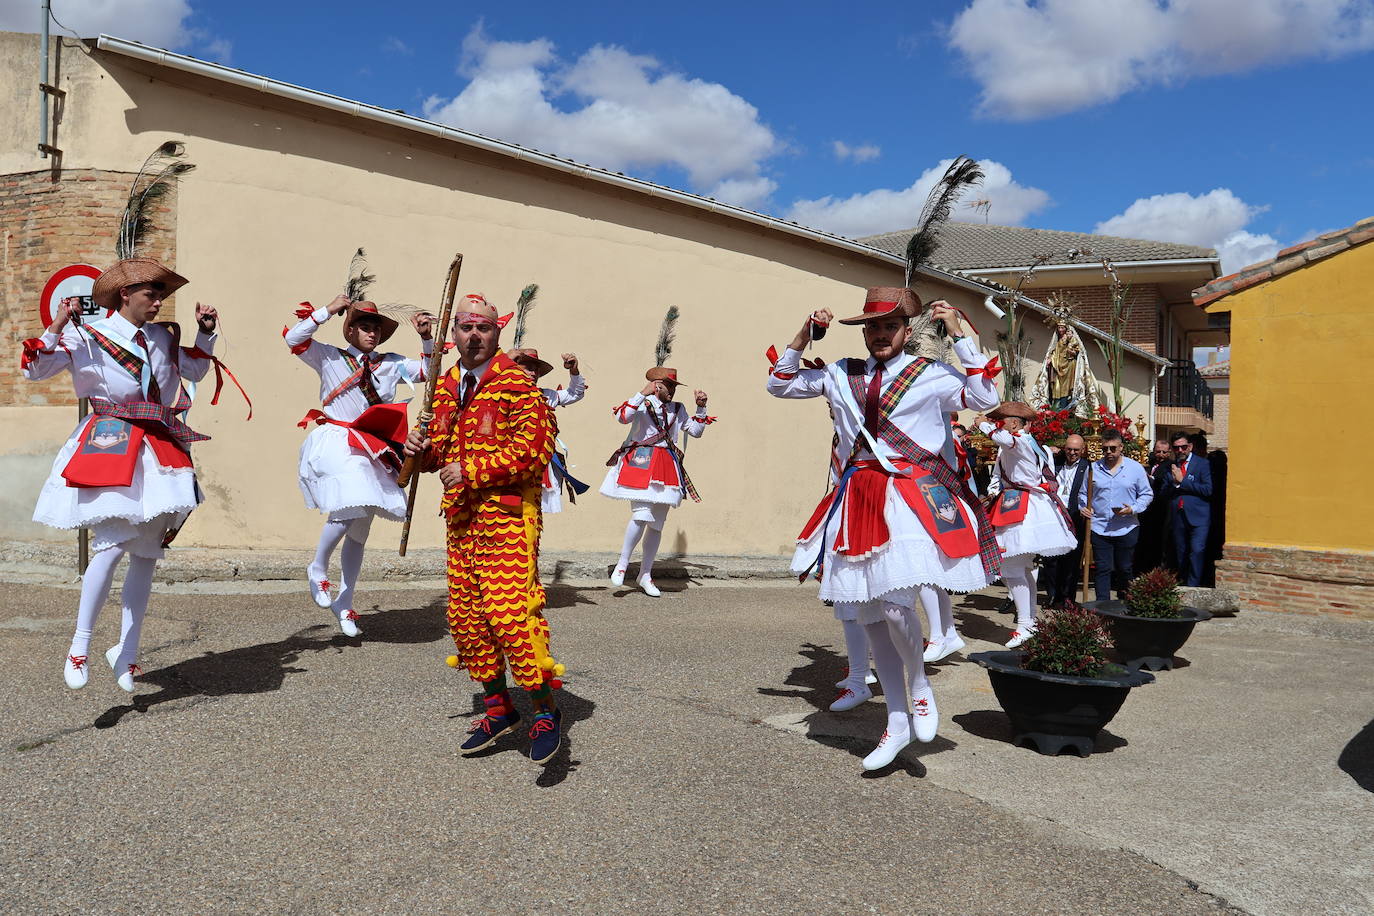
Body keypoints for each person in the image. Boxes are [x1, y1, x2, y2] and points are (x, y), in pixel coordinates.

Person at [768, 287, 1002, 770]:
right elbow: (780, 383)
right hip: (857, 497)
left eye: (889, 326)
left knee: (897, 609)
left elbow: (985, 396)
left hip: (907, 498)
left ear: (906, 331)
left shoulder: (931, 374)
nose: (879, 334)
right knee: (871, 616)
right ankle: (895, 721)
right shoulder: (839, 372)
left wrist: (959, 336)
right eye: (872, 326)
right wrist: (804, 335)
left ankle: (919, 685)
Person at [22, 258, 223, 691]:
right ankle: (80, 646)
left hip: (160, 445)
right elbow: (35, 370)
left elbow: (197, 370)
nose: (158, 302)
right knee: (110, 548)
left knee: (146, 555)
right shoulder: (87, 335)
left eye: (161, 295)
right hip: (111, 439)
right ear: (124, 295)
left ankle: (127, 652)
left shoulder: (166, 336)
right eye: (151, 294)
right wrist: (57, 323)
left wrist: (206, 332)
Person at [402, 293, 565, 764]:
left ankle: (544, 711)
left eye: (484, 329)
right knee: (468, 620)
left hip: (509, 519)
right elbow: (436, 454)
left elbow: (534, 454)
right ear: (453, 335)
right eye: (466, 328)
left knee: (511, 616)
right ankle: (499, 708)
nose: (474, 336)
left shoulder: (519, 386)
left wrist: (471, 470)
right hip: (461, 519)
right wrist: (419, 447)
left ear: (497, 334)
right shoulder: (446, 384)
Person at [288, 295, 433, 637]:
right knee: (349, 506)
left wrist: (426, 337)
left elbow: (428, 371)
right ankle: (317, 566)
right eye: (365, 327)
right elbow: (293, 339)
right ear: (350, 329)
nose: (372, 334)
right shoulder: (328, 356)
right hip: (338, 439)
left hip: (373, 447)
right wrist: (329, 309)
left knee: (359, 531)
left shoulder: (389, 363)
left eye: (376, 329)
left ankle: (346, 600)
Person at [601, 370, 714, 598]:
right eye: (669, 386)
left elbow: (696, 431)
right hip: (641, 461)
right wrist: (642, 393)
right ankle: (622, 564)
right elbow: (622, 417)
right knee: (641, 515)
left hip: (666, 464)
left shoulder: (678, 408)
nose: (672, 391)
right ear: (657, 385)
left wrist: (701, 407)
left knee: (657, 524)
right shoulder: (642, 403)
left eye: (674, 387)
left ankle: (645, 574)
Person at [976, 403, 1076, 647]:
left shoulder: (1019, 440)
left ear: (1013, 423)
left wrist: (981, 423)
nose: (1000, 424)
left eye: (1003, 421)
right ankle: (1029, 622)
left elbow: (999, 436)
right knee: (1021, 566)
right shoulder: (1030, 443)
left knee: (1011, 567)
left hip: (1021, 504)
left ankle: (1024, 625)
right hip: (1022, 502)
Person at [509, 349, 588, 514]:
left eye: (536, 369)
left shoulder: (547, 396)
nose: (533, 373)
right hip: (511, 462)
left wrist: (573, 370)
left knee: (533, 512)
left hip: (540, 463)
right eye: (528, 368)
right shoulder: (502, 394)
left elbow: (575, 393)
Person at [1080, 429, 1154, 601]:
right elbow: (1083, 494)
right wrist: (1084, 507)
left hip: (1126, 527)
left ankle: (1125, 603)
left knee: (1124, 568)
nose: (1108, 452)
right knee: (1102, 568)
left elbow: (1147, 494)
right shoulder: (1093, 468)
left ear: (1121, 447)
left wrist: (1133, 508)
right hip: (1100, 526)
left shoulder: (1135, 468)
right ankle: (1102, 607)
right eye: (1105, 449)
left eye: (1112, 448)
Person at [1047, 433, 1090, 607]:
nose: (1072, 453)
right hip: (1054, 517)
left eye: (1076, 450)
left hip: (1074, 517)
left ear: (1083, 450)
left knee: (1072, 560)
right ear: (1064, 449)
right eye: (1069, 449)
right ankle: (1052, 595)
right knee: (1051, 559)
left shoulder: (1088, 467)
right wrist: (1048, 450)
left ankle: (1068, 598)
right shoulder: (1055, 465)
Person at [1166, 431, 1212, 586]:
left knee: (1197, 551)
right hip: (1178, 516)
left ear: (1190, 447)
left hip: (1199, 517)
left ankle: (1194, 586)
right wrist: (1174, 483)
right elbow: (1163, 492)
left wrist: (1182, 482)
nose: (1180, 451)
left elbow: (1207, 490)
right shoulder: (1171, 466)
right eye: (1176, 448)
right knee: (1181, 554)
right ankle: (1183, 585)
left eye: (1183, 447)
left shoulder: (1202, 464)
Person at [1134, 438, 1174, 574]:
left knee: (1157, 542)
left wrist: (1150, 479)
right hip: (1145, 511)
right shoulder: (1149, 463)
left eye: (1164, 452)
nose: (1161, 455)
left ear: (1169, 453)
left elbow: (1163, 481)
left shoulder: (1170, 466)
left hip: (1160, 510)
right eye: (1158, 451)